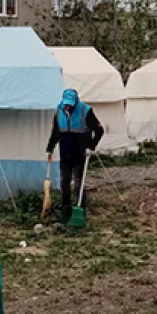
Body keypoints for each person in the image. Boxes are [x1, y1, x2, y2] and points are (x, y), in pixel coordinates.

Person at [46, 89, 104, 223]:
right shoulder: (59, 111)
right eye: (66, 104)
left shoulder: (86, 111)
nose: (68, 106)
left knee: (78, 183)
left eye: (70, 104)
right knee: (64, 182)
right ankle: (65, 209)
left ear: (75, 102)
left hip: (80, 153)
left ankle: (80, 209)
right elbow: (56, 132)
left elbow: (99, 130)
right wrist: (50, 148)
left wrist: (91, 146)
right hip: (65, 154)